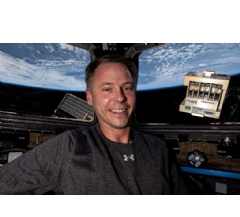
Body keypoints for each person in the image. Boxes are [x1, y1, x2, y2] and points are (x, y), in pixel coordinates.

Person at [0, 54, 188, 195]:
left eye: (127, 88)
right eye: (108, 89)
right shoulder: (70, 147)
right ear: (90, 97)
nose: (120, 98)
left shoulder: (157, 148)